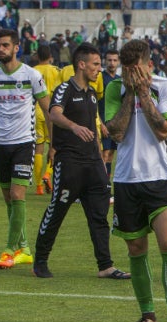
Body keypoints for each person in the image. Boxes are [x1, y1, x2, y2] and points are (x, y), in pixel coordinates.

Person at [104, 39, 167, 322]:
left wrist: (143, 92)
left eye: (135, 69)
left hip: (159, 178)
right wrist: (130, 94)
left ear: (148, 64)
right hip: (126, 180)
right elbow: (116, 133)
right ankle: (147, 317)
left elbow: (162, 130)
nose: (130, 75)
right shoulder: (114, 89)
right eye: (125, 69)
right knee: (136, 248)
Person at [32, 43, 129, 280]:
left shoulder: (92, 94)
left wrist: (98, 154)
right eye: (96, 64)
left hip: (92, 163)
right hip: (70, 162)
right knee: (57, 211)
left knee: (98, 214)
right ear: (82, 64)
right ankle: (41, 260)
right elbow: (54, 113)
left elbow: (92, 128)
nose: (100, 68)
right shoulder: (66, 88)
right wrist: (73, 127)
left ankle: (105, 265)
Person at [0, 29, 48, 268]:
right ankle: (24, 248)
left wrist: (55, 143)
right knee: (9, 200)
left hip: (24, 142)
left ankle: (8, 250)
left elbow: (48, 109)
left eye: (5, 45)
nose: (0, 49)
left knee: (17, 195)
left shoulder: (32, 75)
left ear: (17, 47)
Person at [32, 45, 61, 196]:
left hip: (36, 111)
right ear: (50, 56)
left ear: (37, 56)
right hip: (52, 111)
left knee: (38, 148)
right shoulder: (56, 70)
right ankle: (47, 174)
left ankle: (38, 187)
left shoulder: (32, 71)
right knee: (54, 146)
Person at [99, 49, 120, 182]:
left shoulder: (119, 80)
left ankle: (105, 186)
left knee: (111, 155)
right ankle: (100, 186)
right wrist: (100, 124)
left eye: (114, 60)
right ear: (104, 61)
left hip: (115, 125)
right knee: (104, 155)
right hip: (102, 123)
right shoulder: (100, 78)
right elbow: (94, 103)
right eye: (109, 60)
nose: (112, 63)